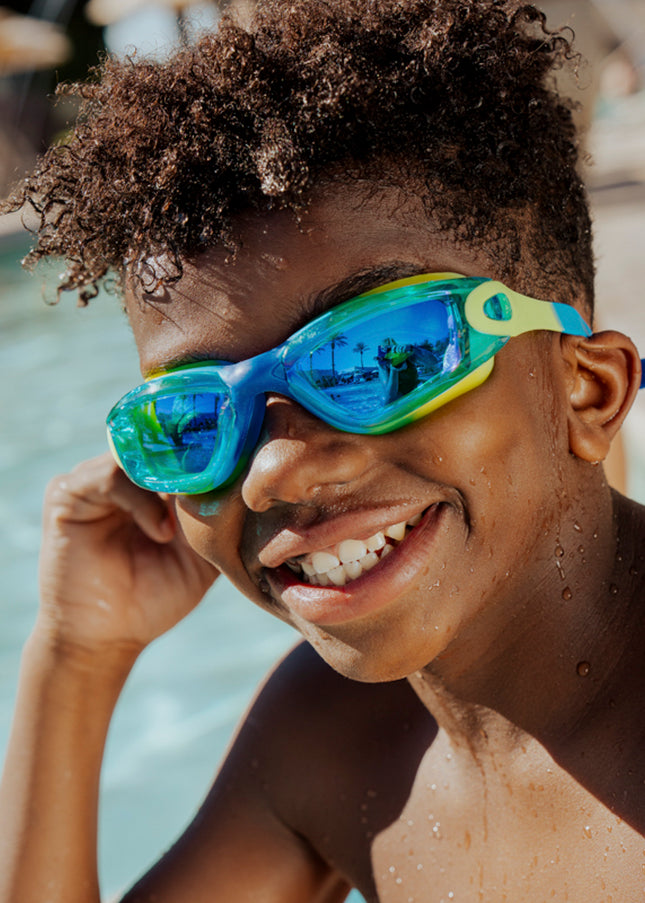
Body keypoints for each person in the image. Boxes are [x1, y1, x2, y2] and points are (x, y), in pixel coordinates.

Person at [1, 1, 644, 901]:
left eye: (378, 358)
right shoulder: (331, 738)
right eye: (188, 417)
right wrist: (76, 652)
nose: (272, 469)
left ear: (588, 389)